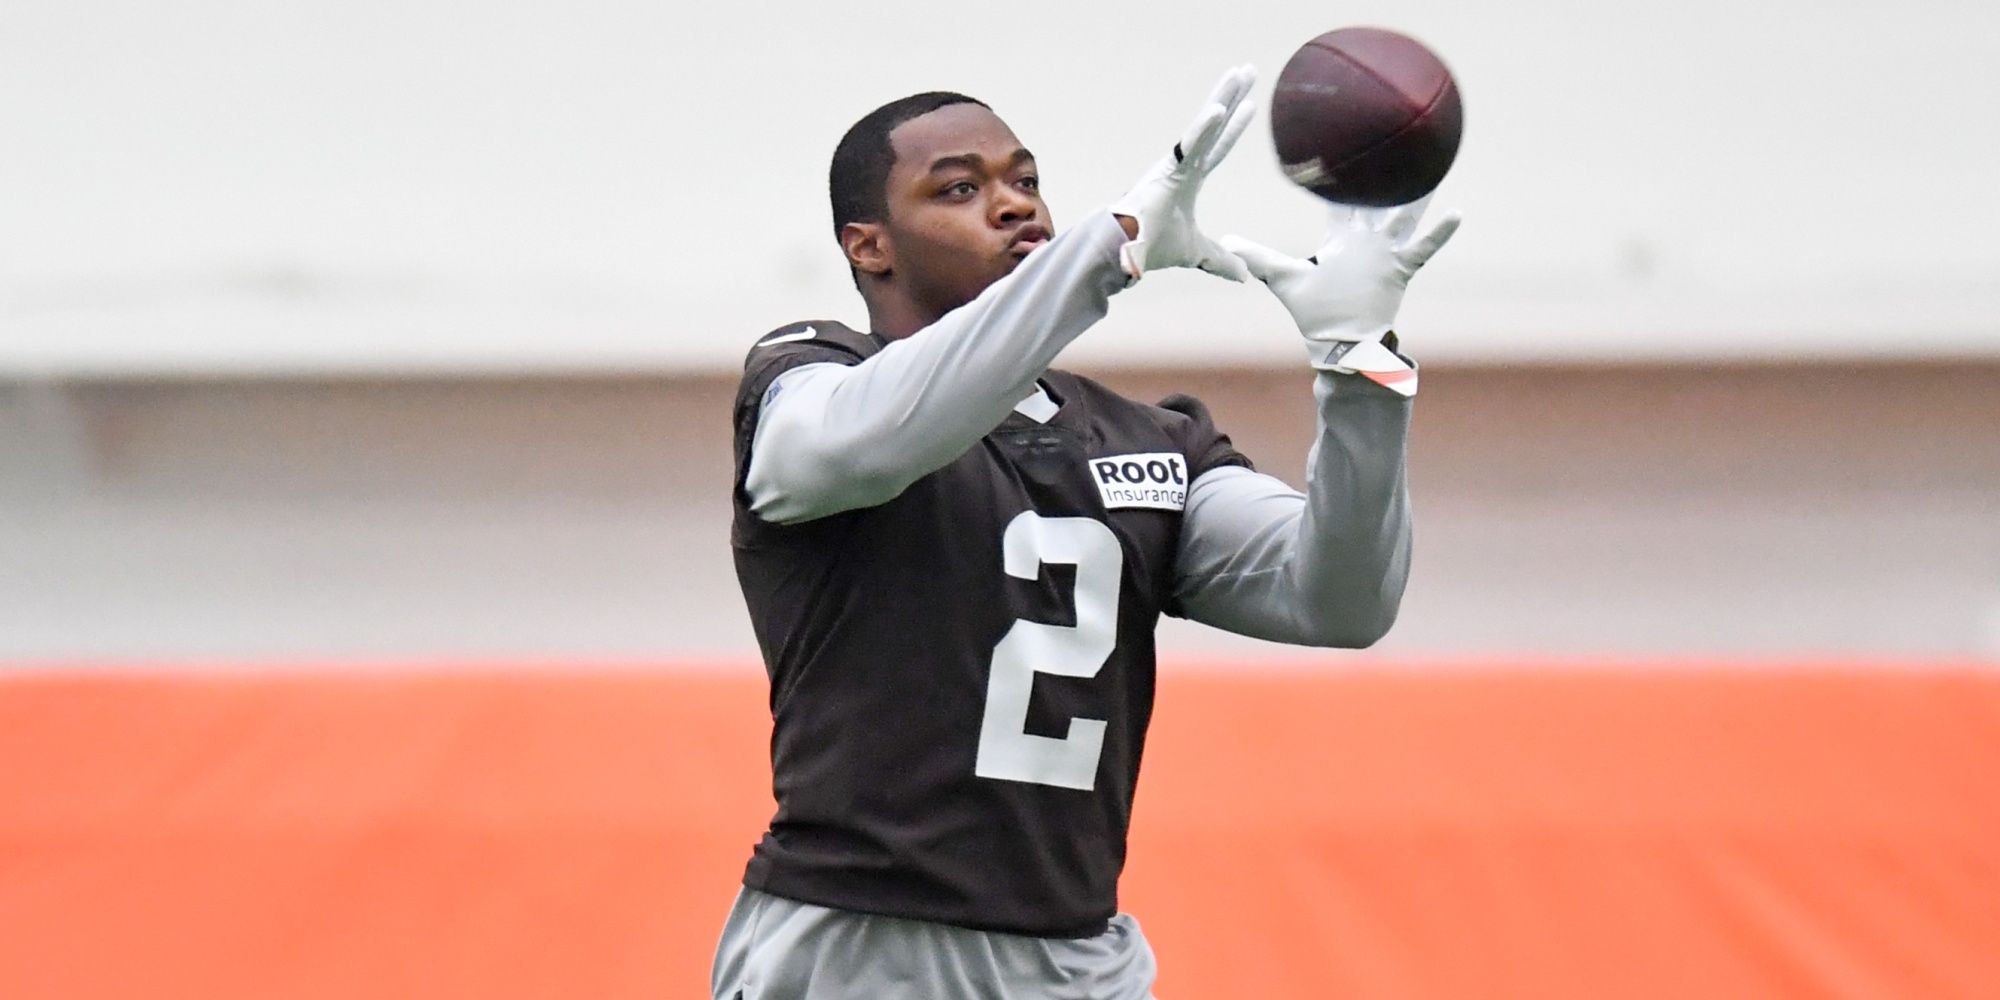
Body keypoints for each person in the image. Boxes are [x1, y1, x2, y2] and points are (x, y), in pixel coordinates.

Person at [713, 66, 1459, 1000]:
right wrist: (1108, 251)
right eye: (960, 188)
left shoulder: (1147, 439)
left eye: (1025, 181)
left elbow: (1340, 599)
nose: (1013, 206)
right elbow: (870, 439)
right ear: (869, 245)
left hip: (1076, 954)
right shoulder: (812, 375)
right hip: (860, 942)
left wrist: (1358, 375)